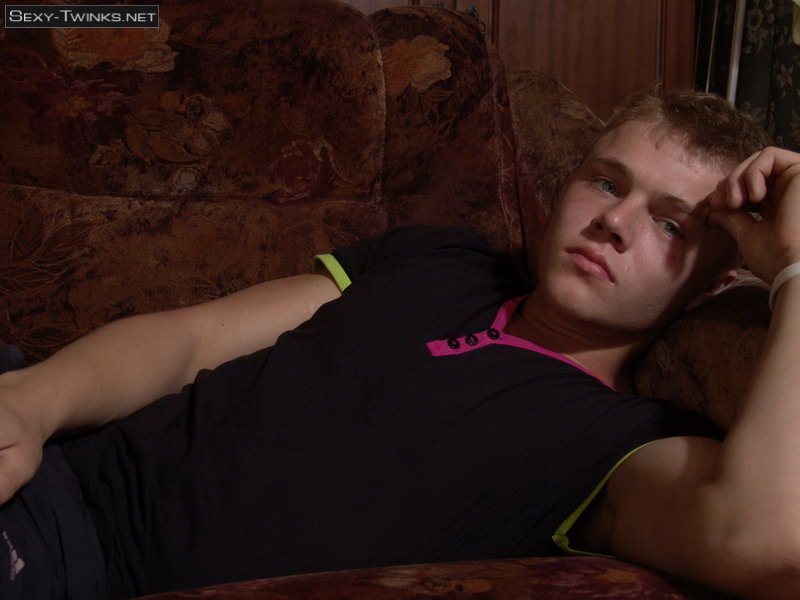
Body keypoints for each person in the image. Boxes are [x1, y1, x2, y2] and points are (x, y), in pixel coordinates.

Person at [1, 88, 799, 599]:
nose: (614, 223)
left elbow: (765, 545)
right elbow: (189, 340)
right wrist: (33, 401)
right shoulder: (441, 260)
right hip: (46, 444)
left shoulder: (623, 441)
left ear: (714, 284)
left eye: (670, 225)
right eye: (606, 181)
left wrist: (798, 266)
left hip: (72, 563)